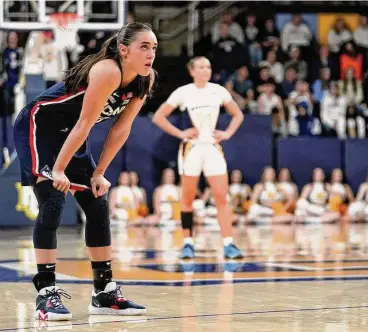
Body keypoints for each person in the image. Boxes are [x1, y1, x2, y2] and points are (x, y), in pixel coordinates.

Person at [13, 22, 156, 320]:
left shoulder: (145, 79)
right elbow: (84, 124)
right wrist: (59, 170)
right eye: (144, 46)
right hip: (40, 125)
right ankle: (46, 292)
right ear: (124, 50)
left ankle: (104, 293)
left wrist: (98, 172)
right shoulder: (108, 71)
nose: (151, 54)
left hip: (71, 133)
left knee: (97, 203)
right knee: (52, 202)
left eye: (154, 48)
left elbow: (121, 129)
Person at [152, 56, 244, 259]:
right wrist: (180, 133)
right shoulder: (184, 92)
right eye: (201, 67)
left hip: (212, 147)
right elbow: (158, 116)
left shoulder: (218, 90)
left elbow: (238, 114)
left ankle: (228, 244)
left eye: (208, 67)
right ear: (192, 71)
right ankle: (187, 243)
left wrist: (227, 133)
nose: (205, 70)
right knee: (187, 198)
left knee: (221, 197)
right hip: (191, 149)